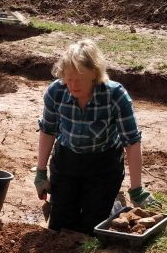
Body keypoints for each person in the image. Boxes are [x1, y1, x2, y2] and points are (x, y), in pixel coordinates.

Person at [34, 39, 157, 234]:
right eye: (68, 78)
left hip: (103, 166)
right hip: (67, 162)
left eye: (79, 78)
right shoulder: (56, 92)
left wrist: (137, 189)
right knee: (61, 227)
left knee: (92, 228)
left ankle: (114, 205)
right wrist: (41, 173)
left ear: (94, 73)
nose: (73, 85)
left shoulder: (115, 95)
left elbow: (132, 142)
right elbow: (48, 130)